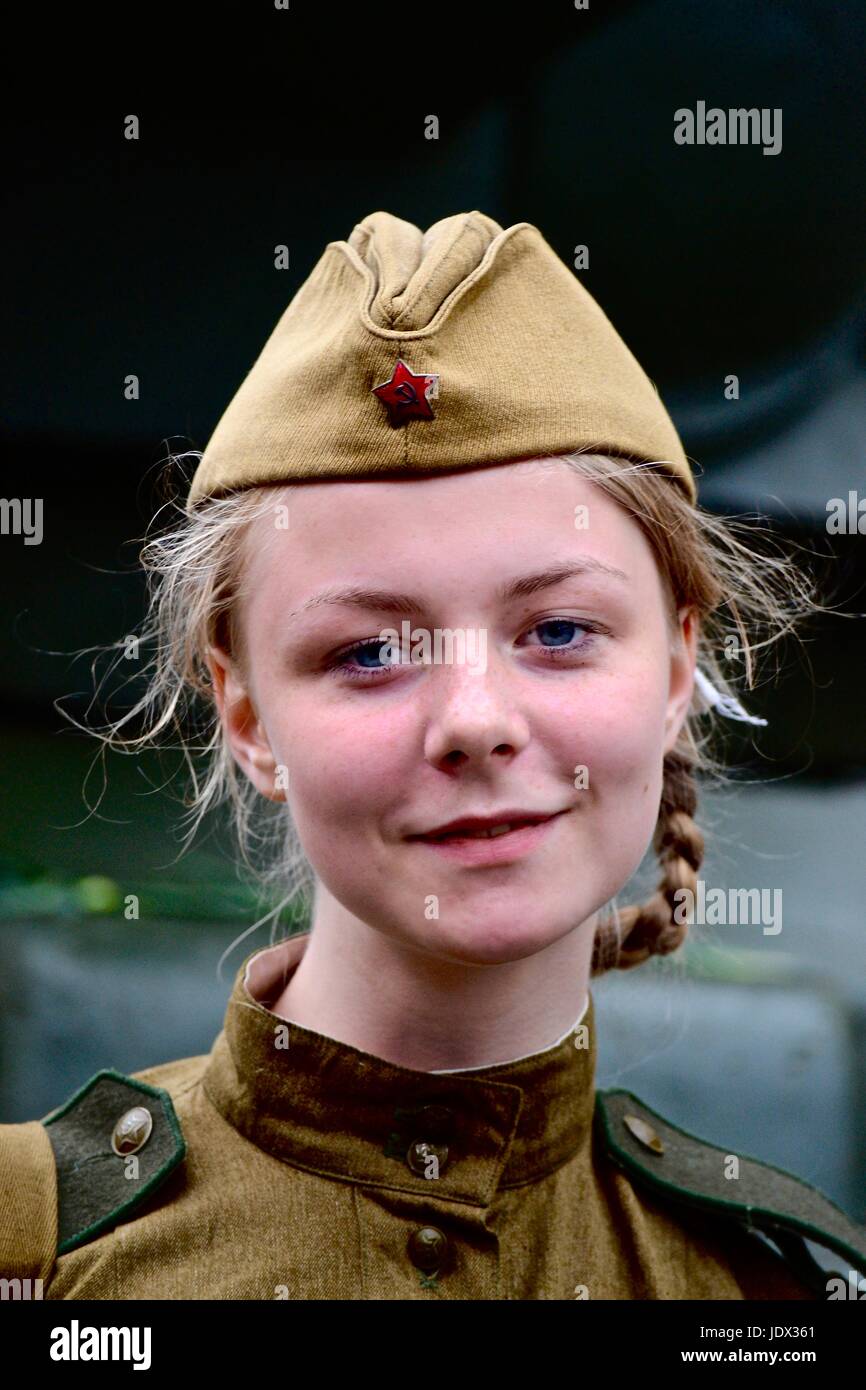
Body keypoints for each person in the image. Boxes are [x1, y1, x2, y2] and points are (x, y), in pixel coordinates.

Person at [2, 210, 865, 1300]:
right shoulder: (37, 1259)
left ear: (672, 673)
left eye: (557, 630)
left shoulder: (763, 1290)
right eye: (367, 651)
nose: (472, 718)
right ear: (249, 718)